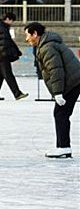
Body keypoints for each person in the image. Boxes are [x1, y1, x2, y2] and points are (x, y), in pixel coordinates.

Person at [24, 22, 80, 158]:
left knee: (60, 114)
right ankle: (63, 146)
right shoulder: (47, 44)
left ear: (35, 34)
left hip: (72, 82)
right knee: (61, 114)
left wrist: (58, 93)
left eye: (27, 35)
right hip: (73, 80)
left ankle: (63, 147)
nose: (26, 39)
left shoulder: (47, 47)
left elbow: (56, 71)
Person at [0, 12, 28, 100]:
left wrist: (16, 51)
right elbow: (3, 43)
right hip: (2, 56)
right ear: (7, 19)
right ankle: (17, 93)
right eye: (11, 20)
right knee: (8, 75)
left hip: (0, 55)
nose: (12, 23)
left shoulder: (2, 27)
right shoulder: (2, 28)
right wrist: (7, 54)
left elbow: (8, 42)